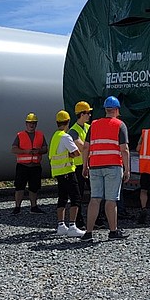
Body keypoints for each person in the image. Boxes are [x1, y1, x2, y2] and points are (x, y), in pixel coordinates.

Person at [81, 96, 130, 242]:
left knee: (95, 199)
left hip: (95, 166)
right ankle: (113, 231)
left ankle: (88, 233)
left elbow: (86, 147)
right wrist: (127, 169)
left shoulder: (94, 124)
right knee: (111, 200)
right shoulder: (120, 125)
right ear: (116, 110)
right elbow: (124, 149)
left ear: (105, 109)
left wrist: (85, 165)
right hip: (113, 166)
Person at [49, 110, 85, 237]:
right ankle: (73, 226)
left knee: (62, 198)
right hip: (68, 171)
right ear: (68, 122)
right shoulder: (65, 136)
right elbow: (76, 152)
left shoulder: (55, 136)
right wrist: (70, 154)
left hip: (58, 172)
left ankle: (61, 225)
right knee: (76, 198)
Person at [11, 113, 47, 214]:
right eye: (30, 123)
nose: (32, 125)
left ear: (36, 124)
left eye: (34, 123)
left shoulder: (40, 135)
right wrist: (25, 151)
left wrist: (39, 151)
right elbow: (13, 149)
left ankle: (34, 206)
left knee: (34, 187)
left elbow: (45, 149)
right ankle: (17, 207)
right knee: (19, 187)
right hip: (23, 166)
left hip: (35, 166)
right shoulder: (20, 135)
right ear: (26, 124)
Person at [69, 101, 92, 229]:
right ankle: (78, 220)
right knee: (78, 195)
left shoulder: (89, 127)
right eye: (88, 113)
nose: (89, 115)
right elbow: (83, 147)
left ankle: (97, 219)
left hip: (89, 164)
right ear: (81, 114)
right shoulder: (73, 131)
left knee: (95, 193)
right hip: (78, 167)